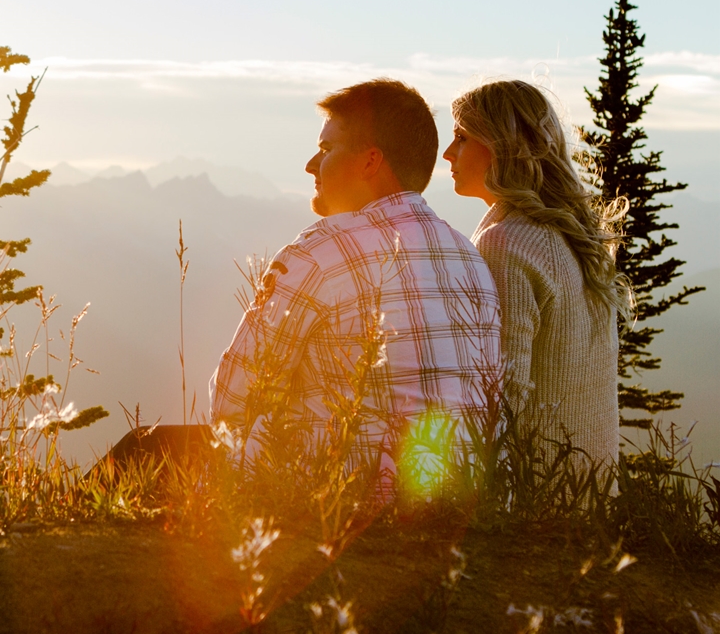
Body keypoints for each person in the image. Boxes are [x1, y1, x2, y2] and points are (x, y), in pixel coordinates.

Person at [210, 78, 502, 486]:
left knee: (146, 446)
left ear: (370, 162)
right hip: (453, 503)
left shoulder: (318, 254)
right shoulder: (471, 260)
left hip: (340, 506)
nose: (311, 165)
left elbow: (233, 402)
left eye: (327, 149)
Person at [444, 79, 624, 466]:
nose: (447, 153)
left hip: (537, 502)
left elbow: (503, 396)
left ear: (499, 145)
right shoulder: (571, 232)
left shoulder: (506, 244)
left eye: (461, 138)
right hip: (590, 492)